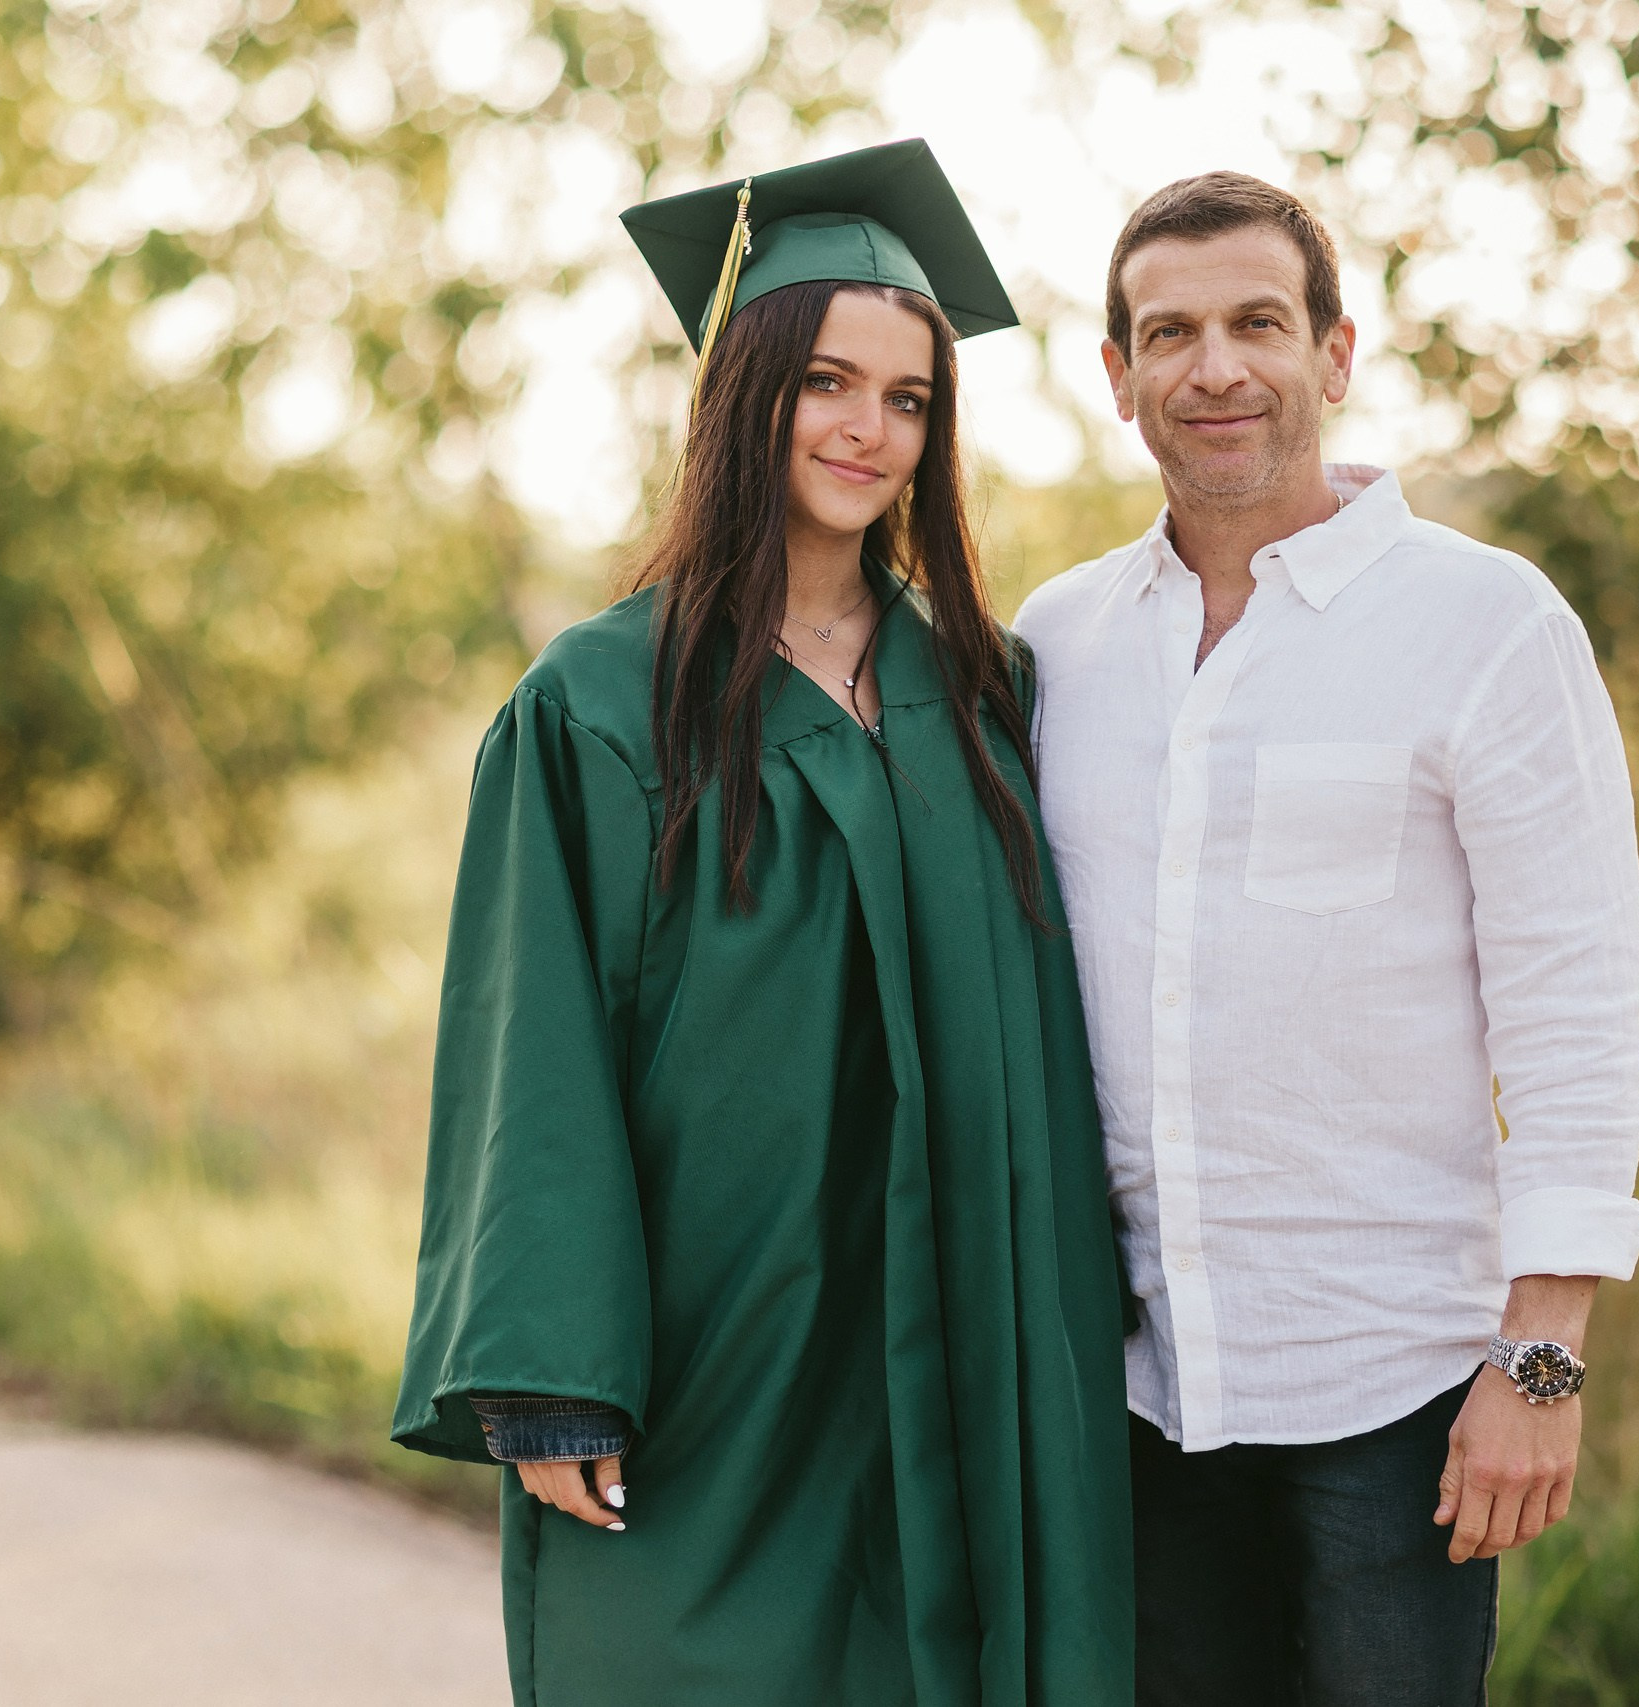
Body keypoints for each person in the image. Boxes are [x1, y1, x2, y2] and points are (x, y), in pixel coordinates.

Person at [392, 140, 1133, 1707]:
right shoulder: (602, 701)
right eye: (828, 383)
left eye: (911, 397)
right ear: (747, 396)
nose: (871, 428)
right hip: (728, 1329)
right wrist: (552, 1374)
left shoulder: (984, 684)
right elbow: (534, 1048)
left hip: (972, 1311)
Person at [1014, 172, 1639, 1706]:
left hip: (1400, 1397)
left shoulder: (1490, 625)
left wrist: (1541, 1363)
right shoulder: (1056, 646)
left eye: (1257, 323)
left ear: (1336, 354)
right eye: (1170, 333)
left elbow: (1575, 1001)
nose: (1214, 368)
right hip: (1139, 1396)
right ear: (1118, 379)